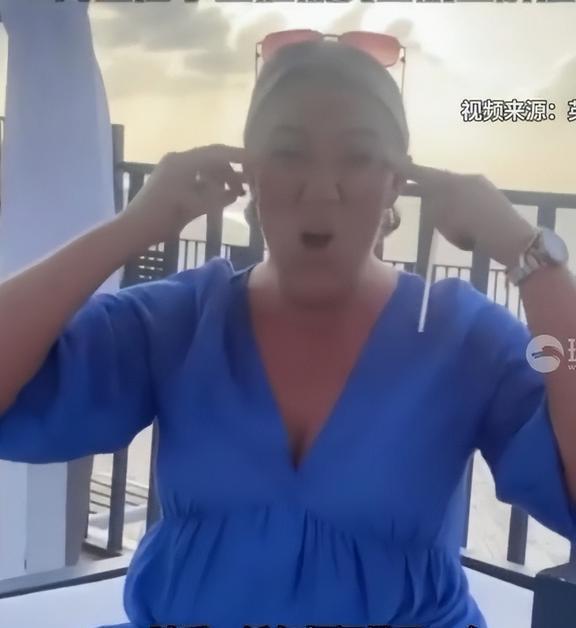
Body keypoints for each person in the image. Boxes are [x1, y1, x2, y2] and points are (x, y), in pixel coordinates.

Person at [1, 39, 575, 628]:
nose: (321, 189)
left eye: (357, 156)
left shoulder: (460, 335)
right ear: (250, 171)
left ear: (397, 181)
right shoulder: (184, 319)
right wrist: (132, 227)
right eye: (289, 153)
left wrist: (532, 257)